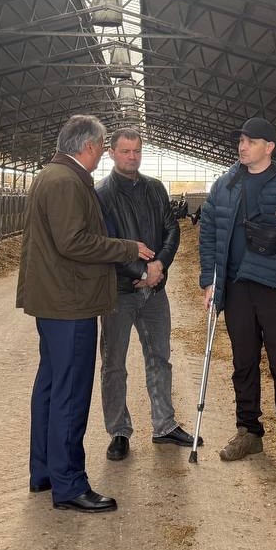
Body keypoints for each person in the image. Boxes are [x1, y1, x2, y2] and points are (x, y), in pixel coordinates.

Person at [16, 114, 154, 513]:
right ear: (89, 146)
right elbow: (73, 242)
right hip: (69, 302)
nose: (102, 152)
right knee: (71, 392)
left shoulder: (54, 175)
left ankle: (45, 471)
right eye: (103, 145)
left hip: (57, 300)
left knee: (51, 386)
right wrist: (127, 248)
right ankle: (69, 483)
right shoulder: (66, 181)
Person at [198, 117, 276, 474]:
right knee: (244, 362)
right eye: (241, 140)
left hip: (275, 288)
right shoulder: (225, 184)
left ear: (269, 147)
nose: (243, 146)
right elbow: (208, 231)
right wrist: (210, 281)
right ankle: (248, 430)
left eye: (251, 141)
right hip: (236, 287)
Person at [95, 127, 200, 461]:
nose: (132, 157)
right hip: (119, 292)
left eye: (137, 151)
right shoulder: (101, 194)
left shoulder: (156, 188)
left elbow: (172, 229)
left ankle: (164, 425)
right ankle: (119, 431)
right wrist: (141, 272)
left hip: (155, 291)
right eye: (125, 151)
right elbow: (107, 243)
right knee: (114, 363)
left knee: (160, 357)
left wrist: (159, 267)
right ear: (111, 153)